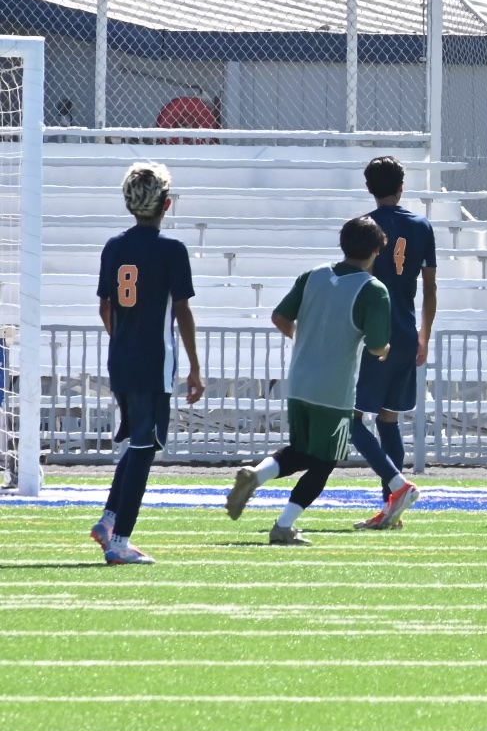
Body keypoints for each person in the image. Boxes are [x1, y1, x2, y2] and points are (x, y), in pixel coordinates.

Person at [222, 217, 396, 544]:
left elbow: (279, 317)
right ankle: (284, 524)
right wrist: (386, 348)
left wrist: (303, 339)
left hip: (300, 379)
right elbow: (376, 346)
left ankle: (256, 476)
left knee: (303, 451)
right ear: (375, 251)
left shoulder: (314, 274)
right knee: (324, 462)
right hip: (334, 388)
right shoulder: (374, 289)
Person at [90, 163, 204, 565]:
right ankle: (120, 540)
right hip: (153, 361)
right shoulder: (171, 249)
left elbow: (106, 306)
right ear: (167, 204)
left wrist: (122, 340)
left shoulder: (114, 246)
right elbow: (183, 311)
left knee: (136, 442)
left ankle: (108, 520)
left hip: (121, 358)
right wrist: (194, 365)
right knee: (143, 446)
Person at [350, 155, 433, 530]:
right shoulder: (422, 226)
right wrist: (425, 336)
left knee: (350, 420)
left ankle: (397, 488)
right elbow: (430, 287)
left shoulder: (364, 229)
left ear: (369, 187)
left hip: (376, 336)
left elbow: (357, 284)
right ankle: (391, 513)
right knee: (388, 419)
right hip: (407, 331)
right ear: (403, 186)